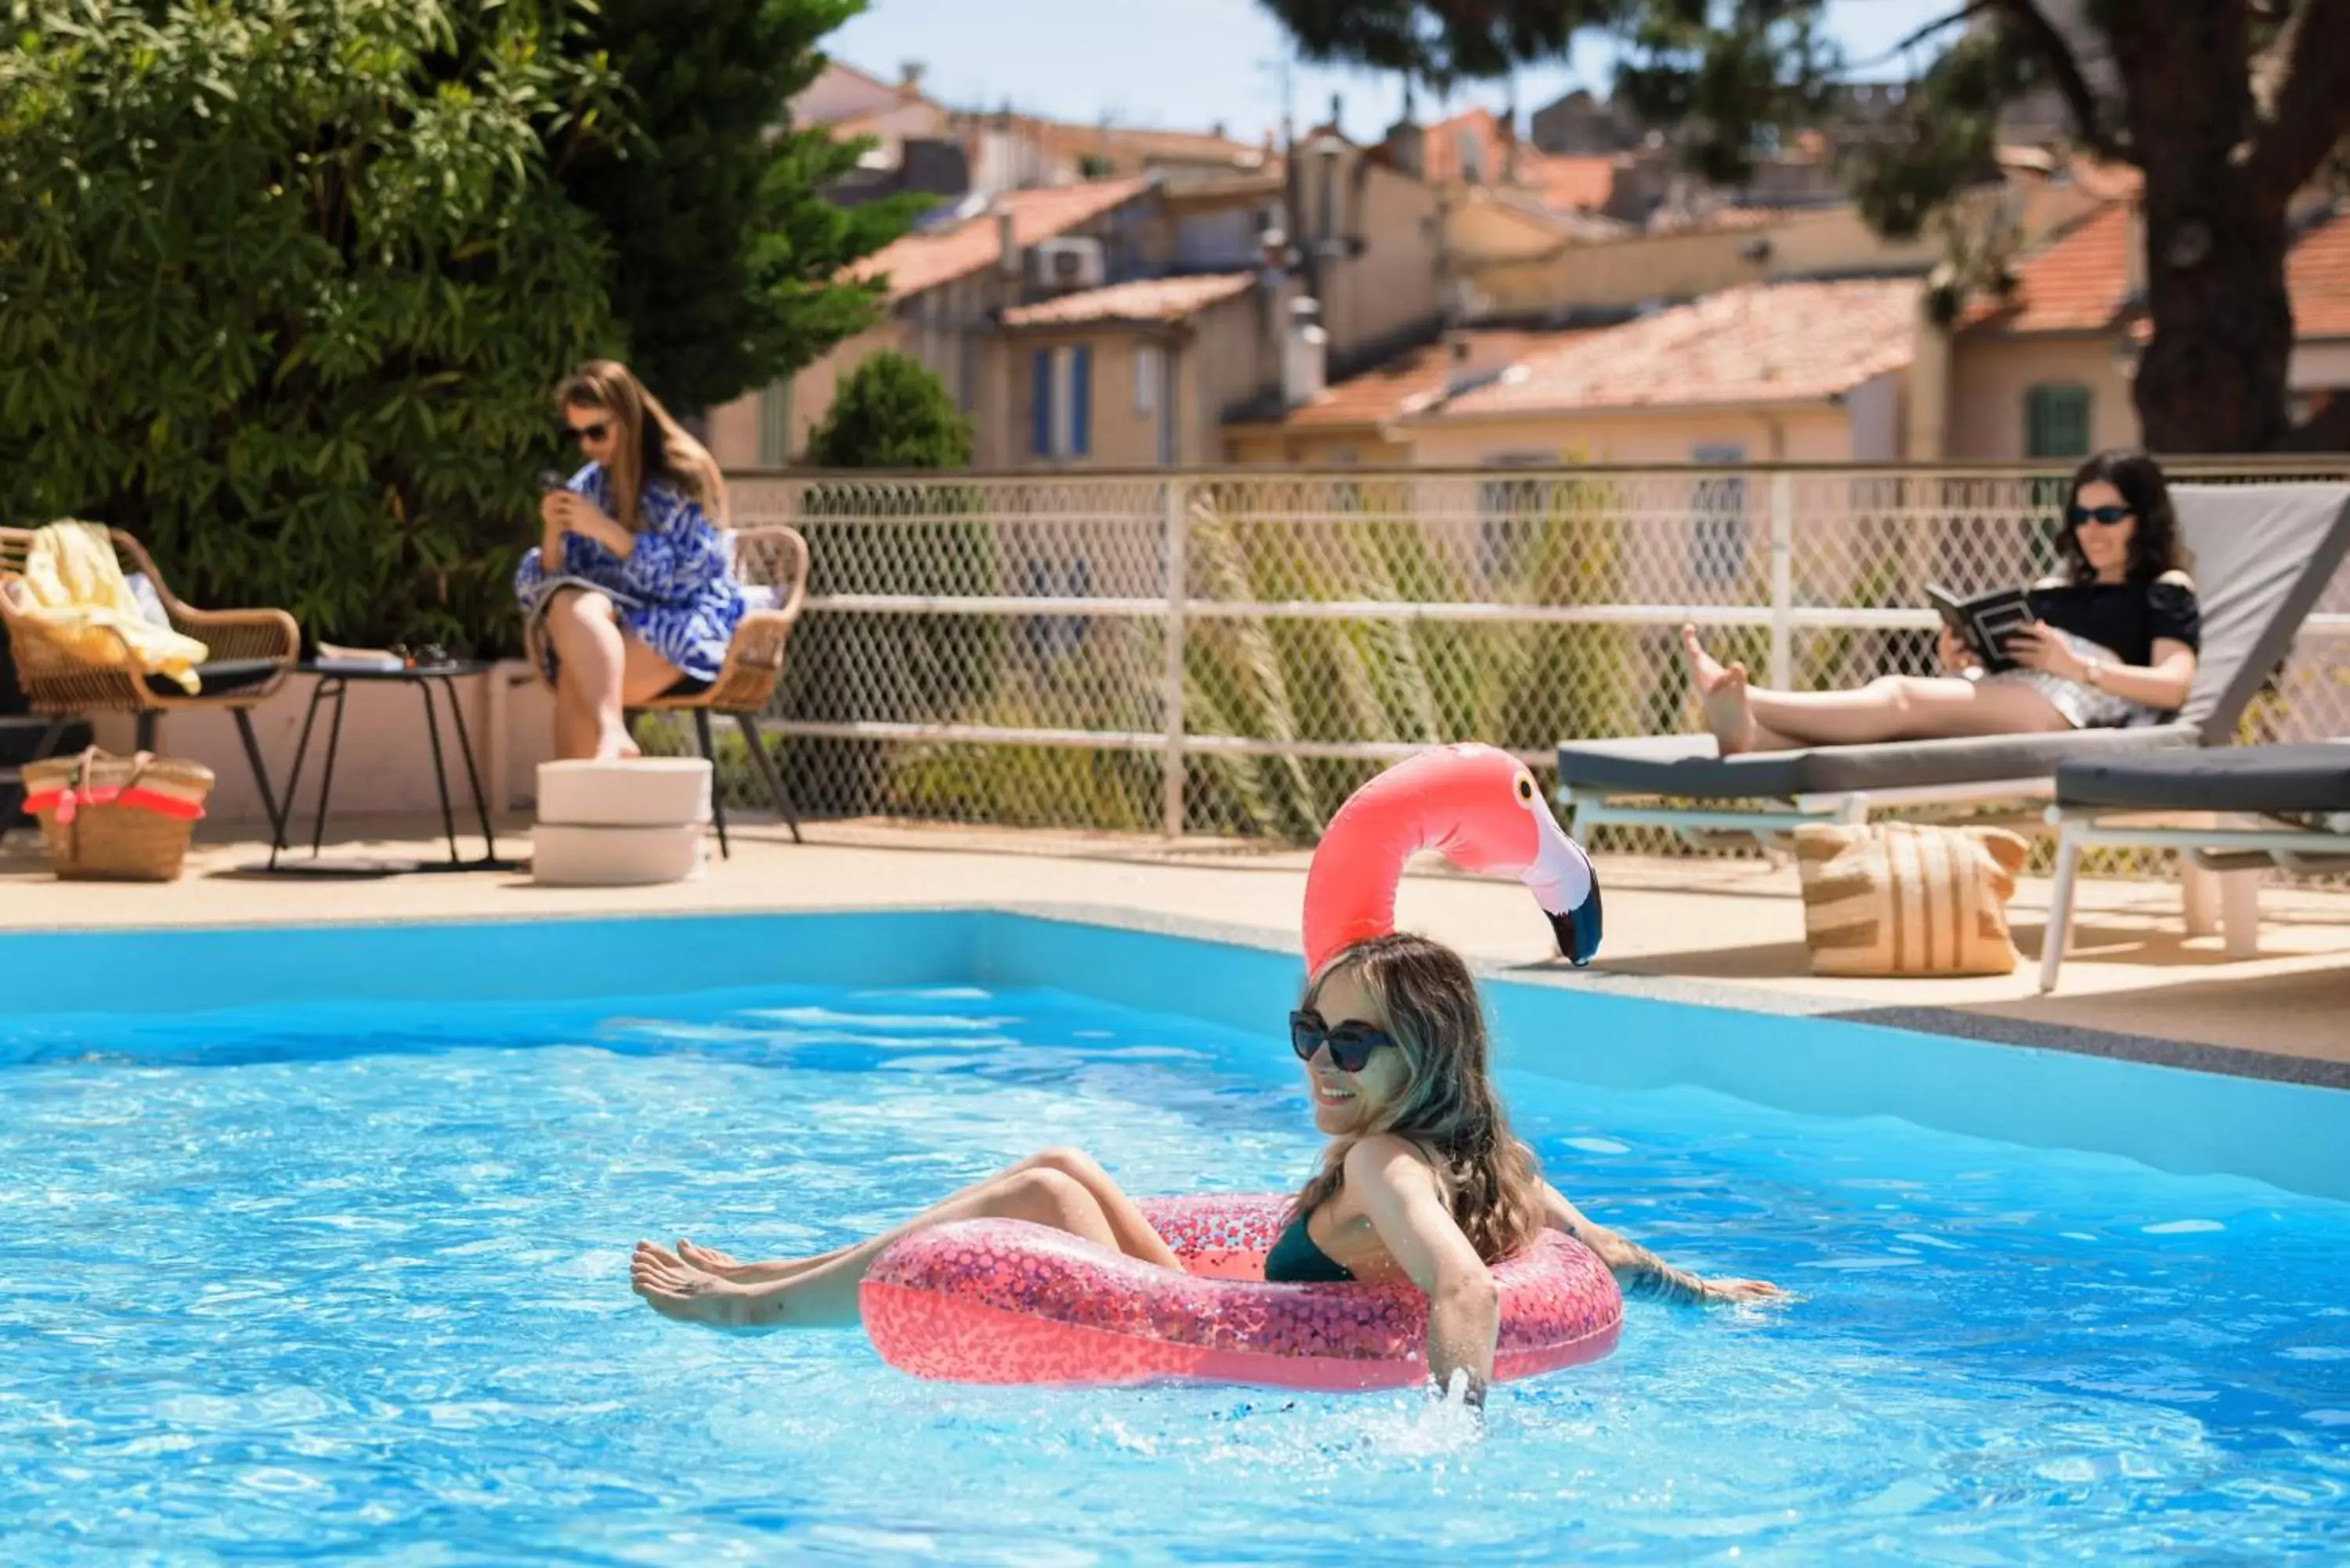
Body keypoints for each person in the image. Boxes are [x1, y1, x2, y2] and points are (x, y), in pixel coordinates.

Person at [630, 931, 1782, 1405]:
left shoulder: (1387, 1162)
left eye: (1352, 1044)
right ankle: (789, 1267)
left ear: (1421, 1054)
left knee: (1046, 1180)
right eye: (1307, 1032)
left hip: (1224, 1325)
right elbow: (1602, 1251)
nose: (1320, 1064)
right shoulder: (1500, 1159)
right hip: (1240, 1296)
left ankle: (764, 1310)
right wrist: (1702, 1292)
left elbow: (1467, 1287)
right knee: (1055, 1164)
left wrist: (1455, 1437)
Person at [1679, 448, 2201, 755]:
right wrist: (1965, 653)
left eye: (2108, 517)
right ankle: (1752, 733)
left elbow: (2173, 684)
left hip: (2070, 704)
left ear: (2143, 518)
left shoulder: (2164, 589)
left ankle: (1747, 698)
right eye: (2082, 517)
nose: (2091, 530)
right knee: (1884, 731)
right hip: (2012, 685)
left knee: (1900, 696)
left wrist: (2076, 666)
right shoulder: (2054, 586)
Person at [515, 360, 745, 761]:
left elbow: (687, 580)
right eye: (577, 435)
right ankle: (612, 735)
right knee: (570, 604)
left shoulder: (682, 475)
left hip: (682, 623)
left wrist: (609, 532)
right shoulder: (590, 483)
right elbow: (546, 593)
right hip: (615, 624)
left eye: (597, 431)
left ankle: (580, 813)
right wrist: (553, 531)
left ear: (628, 418)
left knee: (577, 676)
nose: (587, 446)